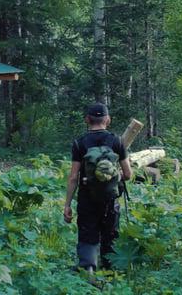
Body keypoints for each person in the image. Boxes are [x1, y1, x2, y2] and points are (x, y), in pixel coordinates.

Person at [63, 103, 132, 271]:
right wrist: (112, 178)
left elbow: (73, 177)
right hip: (110, 199)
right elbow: (128, 174)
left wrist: (67, 205)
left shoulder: (79, 143)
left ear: (87, 119)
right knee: (110, 235)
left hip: (87, 198)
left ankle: (88, 272)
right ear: (107, 120)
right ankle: (110, 272)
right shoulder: (117, 141)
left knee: (88, 235)